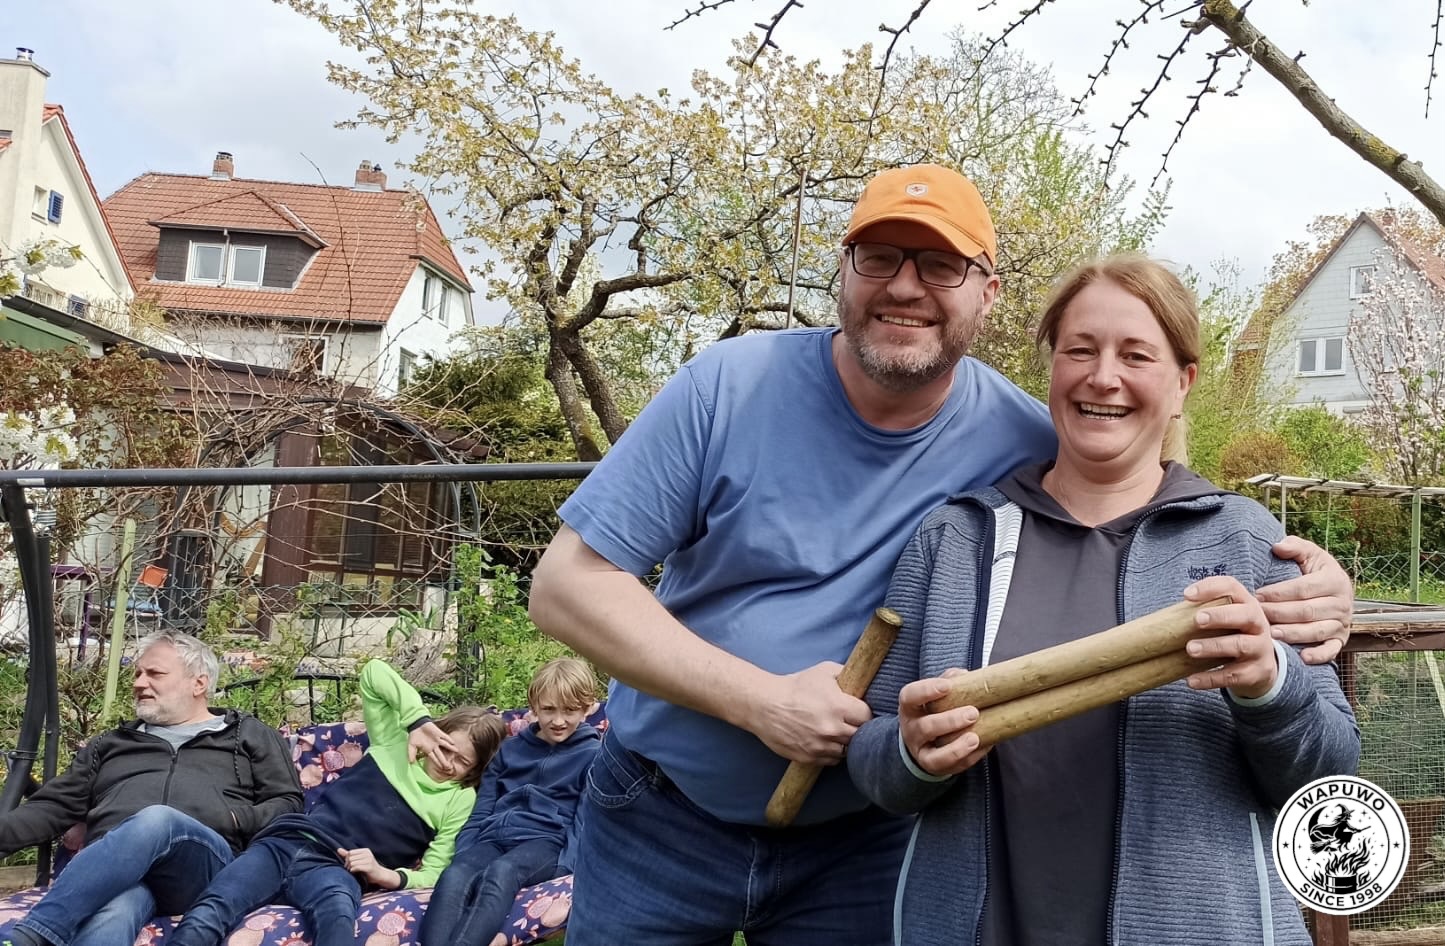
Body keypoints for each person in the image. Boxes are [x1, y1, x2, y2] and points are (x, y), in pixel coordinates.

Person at [527, 164, 1357, 945]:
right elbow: (566, 585)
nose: (903, 285)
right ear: (843, 271)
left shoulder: (1025, 437)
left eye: (938, 265)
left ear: (986, 293)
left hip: (860, 846)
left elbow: (1142, 485)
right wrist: (760, 702)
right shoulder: (728, 387)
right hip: (663, 813)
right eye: (879, 256)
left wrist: (1310, 582)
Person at [848, 254, 1360, 945]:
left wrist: (1269, 686)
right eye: (1080, 350)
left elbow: (1326, 776)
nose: (1103, 377)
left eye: (1136, 356)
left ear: (1182, 384)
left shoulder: (1243, 539)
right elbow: (871, 757)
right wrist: (909, 753)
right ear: (1052, 367)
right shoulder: (954, 539)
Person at [164, 658, 506, 946]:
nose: (446, 761)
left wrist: (387, 875)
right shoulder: (395, 743)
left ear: (476, 769)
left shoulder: (460, 799)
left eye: (462, 761)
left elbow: (435, 872)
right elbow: (373, 672)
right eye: (444, 747)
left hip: (338, 869)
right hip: (284, 844)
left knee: (339, 920)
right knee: (211, 908)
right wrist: (418, 720)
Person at [0, 632, 303, 946]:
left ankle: (32, 935)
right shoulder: (111, 744)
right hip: (114, 872)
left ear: (198, 684)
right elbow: (51, 807)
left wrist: (234, 818)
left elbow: (288, 803)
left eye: (154, 674)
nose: (139, 683)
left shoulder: (247, 735)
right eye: (137, 674)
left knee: (158, 820)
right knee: (116, 908)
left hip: (204, 869)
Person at [420, 657, 601, 946]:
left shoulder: (592, 755)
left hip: (545, 841)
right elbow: (483, 806)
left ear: (588, 708)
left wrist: (565, 866)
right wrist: (466, 848)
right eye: (549, 709)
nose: (558, 720)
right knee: (455, 875)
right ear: (534, 706)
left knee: (501, 872)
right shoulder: (510, 750)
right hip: (493, 837)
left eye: (570, 710)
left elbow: (585, 818)